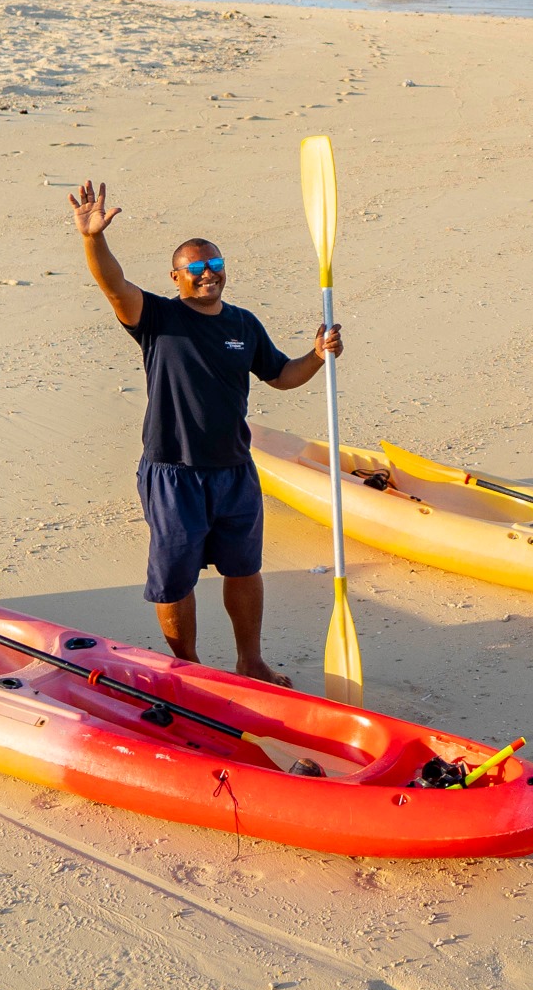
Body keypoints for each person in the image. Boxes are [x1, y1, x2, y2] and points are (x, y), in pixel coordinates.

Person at [69, 179, 338, 684]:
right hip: (174, 472)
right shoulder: (157, 317)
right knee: (174, 579)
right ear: (176, 276)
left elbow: (282, 376)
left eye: (214, 263)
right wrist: (93, 238)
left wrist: (318, 355)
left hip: (234, 470)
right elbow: (114, 285)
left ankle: (250, 661)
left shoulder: (243, 324)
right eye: (195, 267)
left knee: (245, 569)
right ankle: (187, 670)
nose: (207, 272)